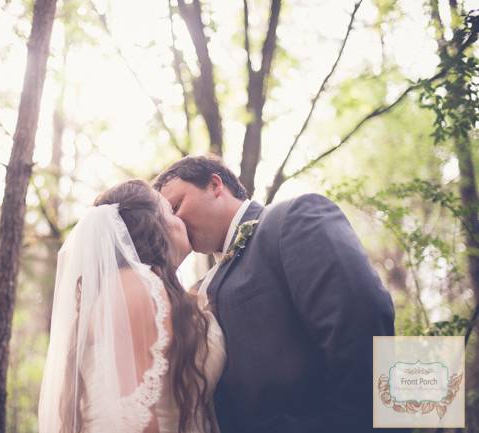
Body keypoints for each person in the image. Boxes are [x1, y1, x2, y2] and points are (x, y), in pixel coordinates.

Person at [153, 155, 397, 433]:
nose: (175, 224)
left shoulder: (291, 217)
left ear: (214, 185)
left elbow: (363, 316)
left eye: (176, 206)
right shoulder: (198, 288)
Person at [38, 179, 226, 433]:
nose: (180, 218)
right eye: (170, 210)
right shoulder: (135, 288)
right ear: (152, 226)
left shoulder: (125, 290)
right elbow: (136, 413)